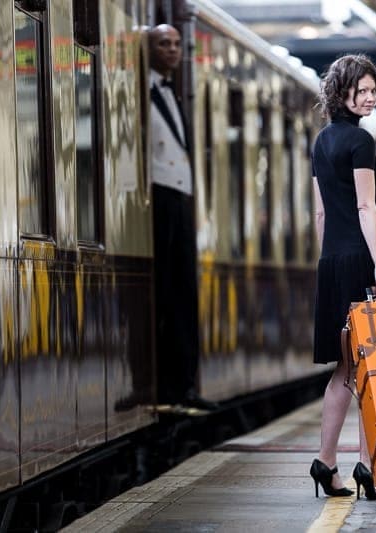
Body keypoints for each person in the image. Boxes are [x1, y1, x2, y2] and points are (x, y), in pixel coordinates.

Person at [309, 54, 376, 500]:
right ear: (340, 93)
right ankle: (368, 465)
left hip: (333, 261)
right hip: (364, 262)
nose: (369, 98)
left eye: (372, 90)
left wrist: (328, 261)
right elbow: (367, 208)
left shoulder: (321, 141)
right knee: (372, 368)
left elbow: (322, 213)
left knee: (346, 369)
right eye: (360, 90)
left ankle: (326, 463)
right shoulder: (361, 144)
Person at [148, 24, 216, 410]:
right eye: (164, 44)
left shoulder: (172, 91)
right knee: (169, 292)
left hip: (181, 194)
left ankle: (185, 385)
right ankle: (172, 386)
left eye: (176, 44)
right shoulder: (146, 90)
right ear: (149, 48)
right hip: (161, 195)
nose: (172, 50)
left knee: (184, 292)